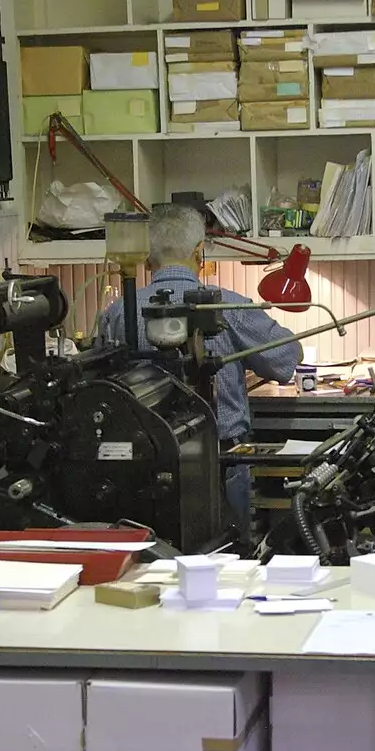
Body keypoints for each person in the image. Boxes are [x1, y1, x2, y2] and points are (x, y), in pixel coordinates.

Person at [97, 203, 301, 546]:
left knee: (154, 563)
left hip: (143, 468)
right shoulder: (227, 306)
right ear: (199, 253)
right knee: (225, 560)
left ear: (146, 258)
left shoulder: (117, 313)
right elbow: (285, 359)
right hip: (218, 463)